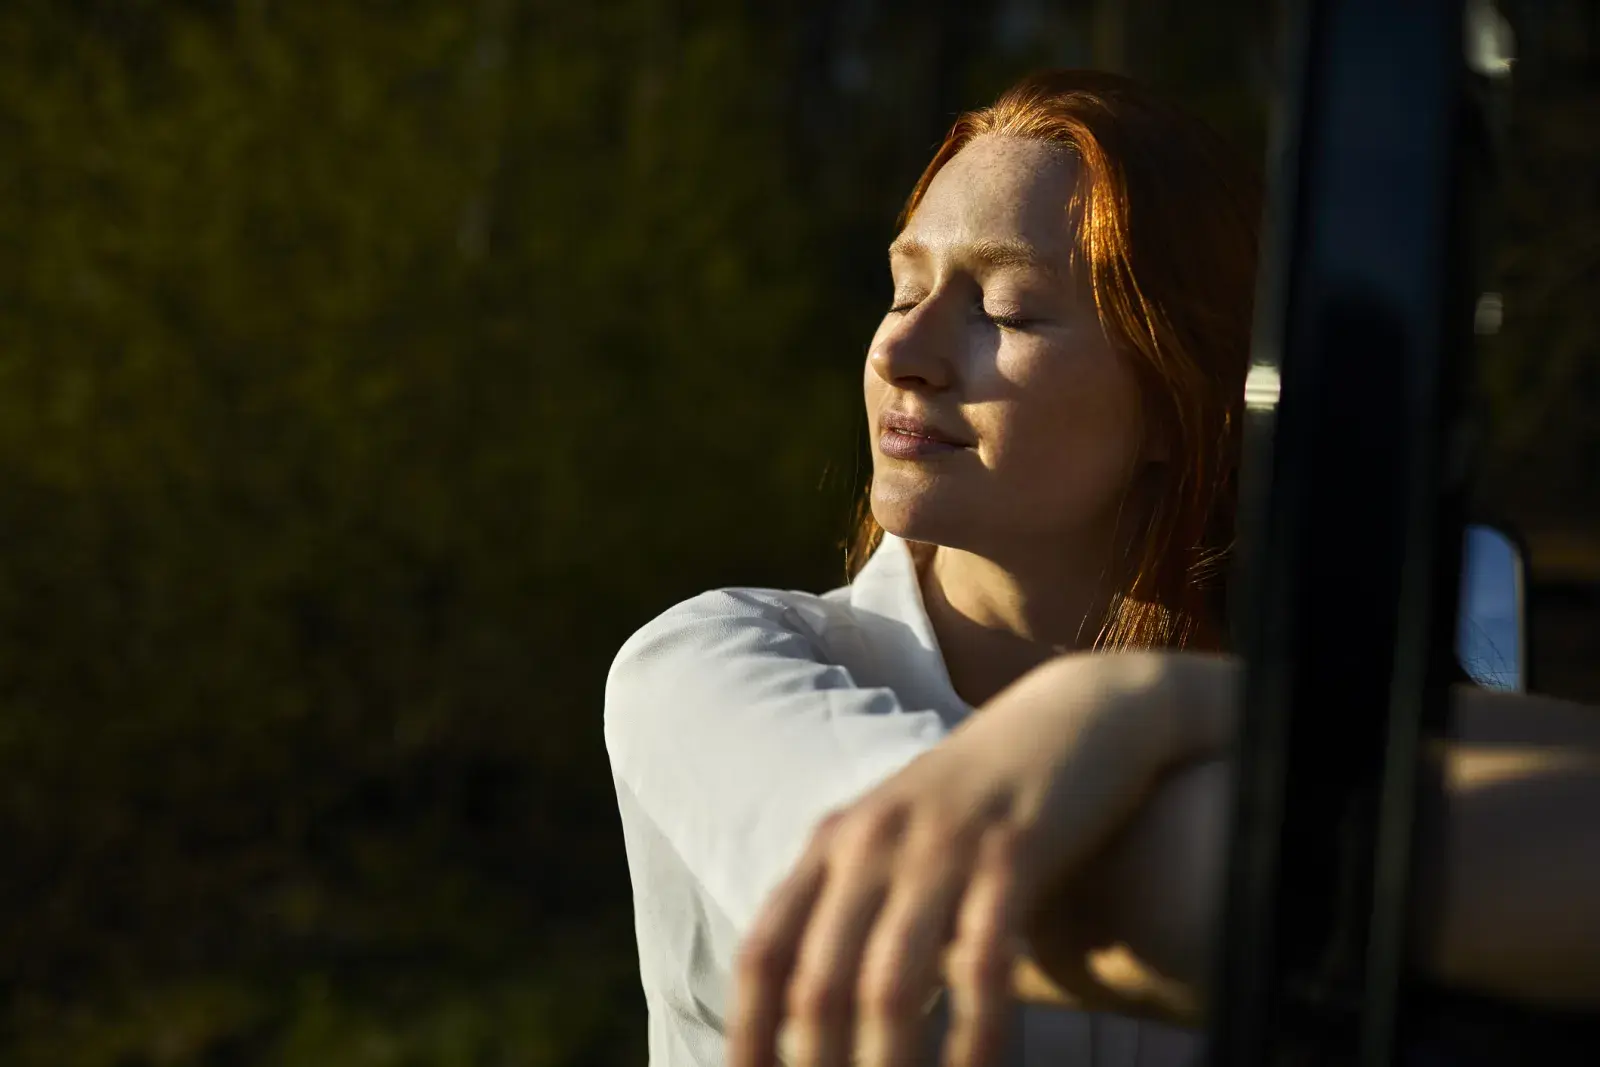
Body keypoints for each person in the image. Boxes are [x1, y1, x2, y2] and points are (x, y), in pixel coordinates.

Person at [603, 71, 1600, 1067]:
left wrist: (1156, 701)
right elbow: (968, 882)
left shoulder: (1221, 718)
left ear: (1176, 396)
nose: (902, 347)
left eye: (1006, 308)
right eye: (903, 288)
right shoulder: (705, 665)